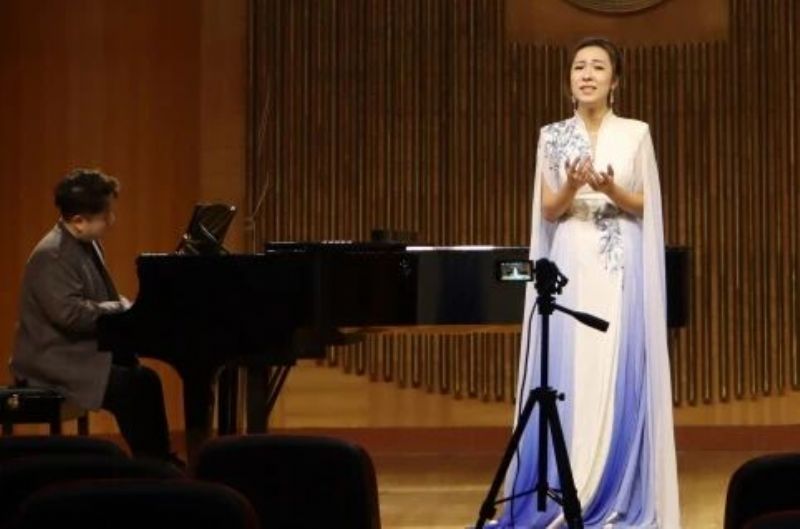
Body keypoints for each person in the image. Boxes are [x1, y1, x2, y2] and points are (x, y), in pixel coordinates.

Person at [495, 38, 680, 528]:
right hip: (571, 260)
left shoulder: (636, 133)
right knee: (569, 372)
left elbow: (647, 206)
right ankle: (565, 484)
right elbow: (548, 210)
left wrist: (611, 189)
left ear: (615, 80)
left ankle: (614, 490)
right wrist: (574, 186)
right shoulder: (552, 135)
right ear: (569, 80)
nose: (588, 74)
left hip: (619, 264)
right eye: (579, 67)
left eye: (598, 67)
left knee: (613, 367)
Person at [11, 168, 179, 464]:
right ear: (78, 221)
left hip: (75, 352)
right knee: (133, 387)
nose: (112, 220)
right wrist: (119, 308)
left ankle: (157, 460)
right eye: (106, 215)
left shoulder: (83, 243)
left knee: (144, 379)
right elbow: (70, 315)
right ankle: (151, 465)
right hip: (51, 359)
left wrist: (121, 311)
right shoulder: (52, 255)